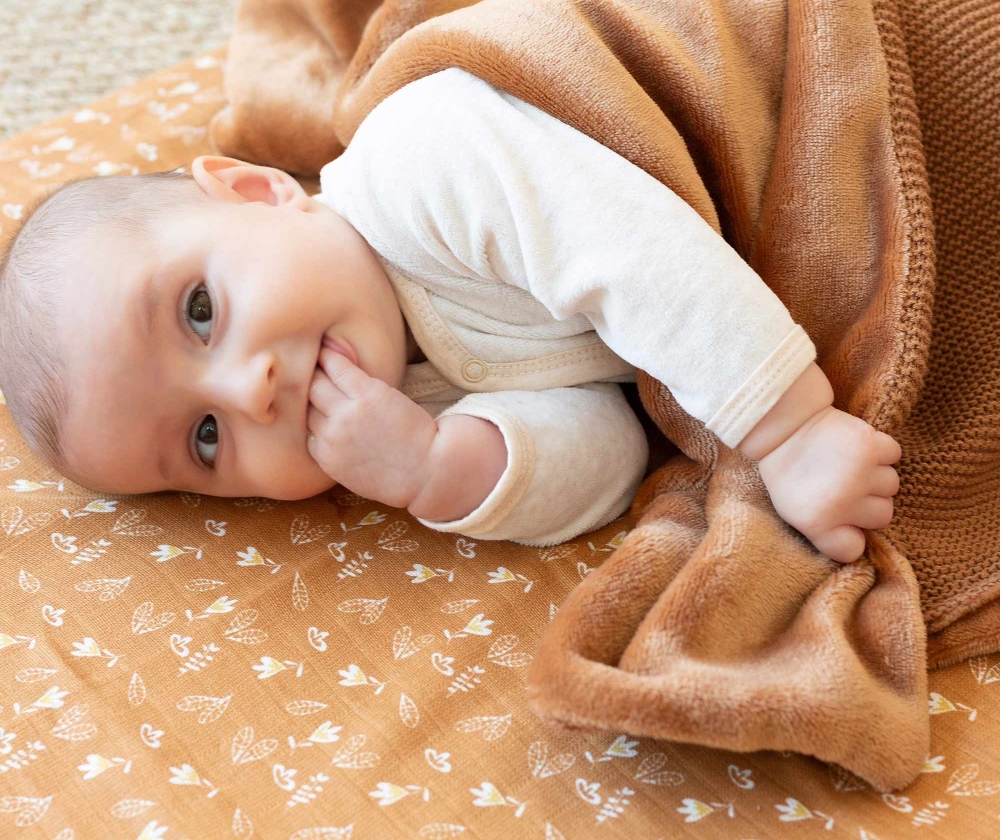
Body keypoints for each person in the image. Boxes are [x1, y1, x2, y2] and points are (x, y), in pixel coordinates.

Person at [0, 68, 900, 560]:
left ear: (258, 191)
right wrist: (440, 468)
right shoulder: (405, 413)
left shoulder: (418, 165)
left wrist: (788, 430)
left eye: (200, 312)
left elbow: (636, 252)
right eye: (205, 439)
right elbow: (615, 451)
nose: (250, 391)